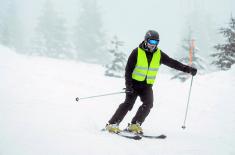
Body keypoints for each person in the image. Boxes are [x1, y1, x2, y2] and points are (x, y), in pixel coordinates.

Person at [106, 30, 197, 134]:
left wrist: (188, 69)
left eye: (156, 42)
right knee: (128, 104)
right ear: (146, 40)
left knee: (148, 104)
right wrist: (128, 86)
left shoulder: (159, 54)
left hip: (147, 86)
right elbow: (128, 70)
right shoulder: (136, 52)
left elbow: (172, 63)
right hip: (134, 84)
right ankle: (112, 124)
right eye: (151, 42)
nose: (153, 45)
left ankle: (135, 125)